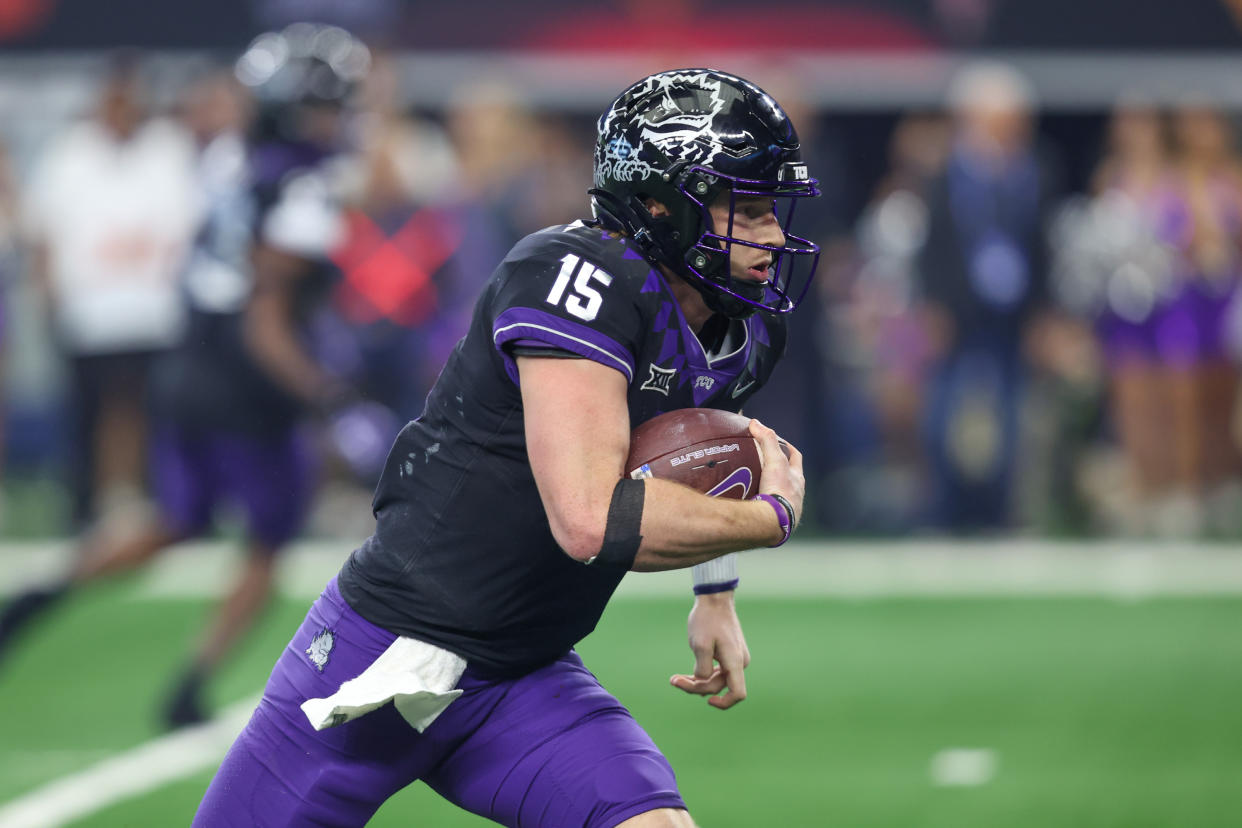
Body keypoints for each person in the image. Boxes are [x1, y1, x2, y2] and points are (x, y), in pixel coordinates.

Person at [193, 69, 821, 828]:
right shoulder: (574, 278)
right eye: (747, 211)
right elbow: (590, 520)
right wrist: (770, 519)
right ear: (660, 203)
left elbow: (708, 446)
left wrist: (714, 591)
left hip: (522, 675)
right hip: (381, 652)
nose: (774, 237)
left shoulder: (742, 320)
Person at [0, 24, 371, 728]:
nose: (338, 118)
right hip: (247, 383)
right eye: (328, 104)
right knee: (270, 542)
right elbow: (267, 323)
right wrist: (333, 397)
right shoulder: (303, 190)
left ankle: (44, 591)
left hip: (187, 361)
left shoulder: (228, 157)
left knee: (177, 518)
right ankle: (191, 685)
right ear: (296, 107)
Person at [21, 54, 200, 532]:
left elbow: (188, 227)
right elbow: (44, 235)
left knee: (157, 414)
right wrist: (48, 302)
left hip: (155, 313)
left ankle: (161, 507)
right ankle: (86, 508)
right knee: (88, 416)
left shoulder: (168, 149)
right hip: (89, 314)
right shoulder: (68, 154)